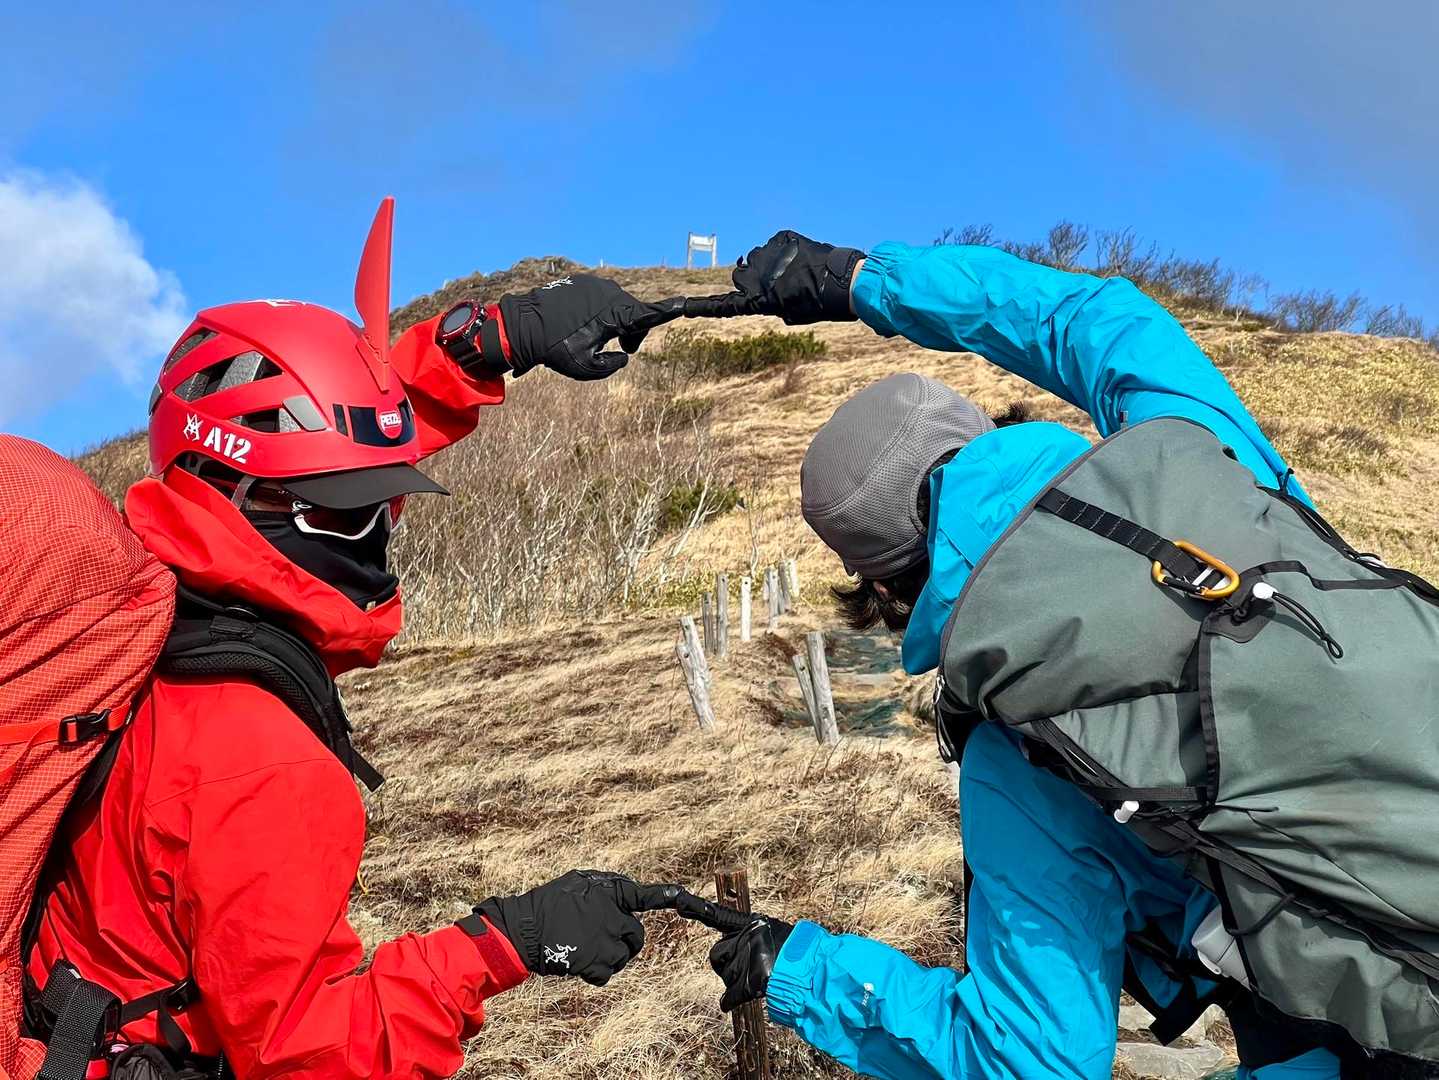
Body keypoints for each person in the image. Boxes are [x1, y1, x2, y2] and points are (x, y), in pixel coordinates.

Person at [20, 203, 694, 1080]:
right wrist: (508, 942)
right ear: (238, 493)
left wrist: (483, 344)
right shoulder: (263, 766)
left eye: (385, 499)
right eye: (344, 508)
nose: (376, 531)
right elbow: (316, 1054)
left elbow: (312, 443)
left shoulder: (113, 613)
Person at [675, 232, 1364, 1080]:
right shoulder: (1214, 465)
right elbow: (1101, 320)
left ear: (881, 584)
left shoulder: (1020, 751)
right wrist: (866, 282)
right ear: (978, 433)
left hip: (1368, 1035)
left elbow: (1030, 1060)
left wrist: (804, 973)